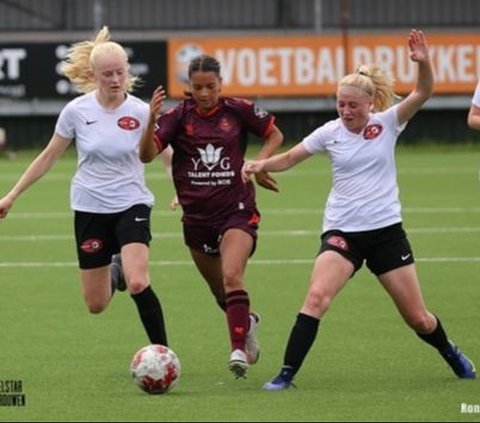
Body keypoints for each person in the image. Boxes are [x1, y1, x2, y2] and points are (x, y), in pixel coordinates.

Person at [243, 29, 476, 390]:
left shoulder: (389, 123)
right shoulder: (329, 132)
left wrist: (424, 62)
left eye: (353, 105)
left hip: (386, 233)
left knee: (418, 319)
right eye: (341, 104)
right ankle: (285, 375)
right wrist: (260, 165)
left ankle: (450, 351)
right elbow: (290, 157)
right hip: (342, 232)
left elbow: (423, 91)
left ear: (370, 104)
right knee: (317, 298)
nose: (346, 111)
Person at [0, 26, 169, 348]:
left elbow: (167, 157)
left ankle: (163, 353)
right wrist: (11, 195)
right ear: (94, 75)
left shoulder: (140, 111)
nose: (116, 79)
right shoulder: (77, 112)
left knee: (139, 281)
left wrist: (181, 192)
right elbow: (48, 156)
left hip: (132, 203)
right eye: (108, 74)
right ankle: (114, 272)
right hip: (89, 206)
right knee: (96, 304)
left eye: (120, 72)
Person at [139, 54, 284, 378]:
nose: (205, 94)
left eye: (211, 87)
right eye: (198, 87)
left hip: (237, 210)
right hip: (197, 219)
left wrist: (258, 165)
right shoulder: (178, 117)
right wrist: (150, 119)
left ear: (221, 85)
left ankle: (237, 349)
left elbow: (274, 134)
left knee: (233, 275)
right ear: (188, 87)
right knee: (221, 292)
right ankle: (246, 323)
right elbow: (146, 155)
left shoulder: (238, 110)